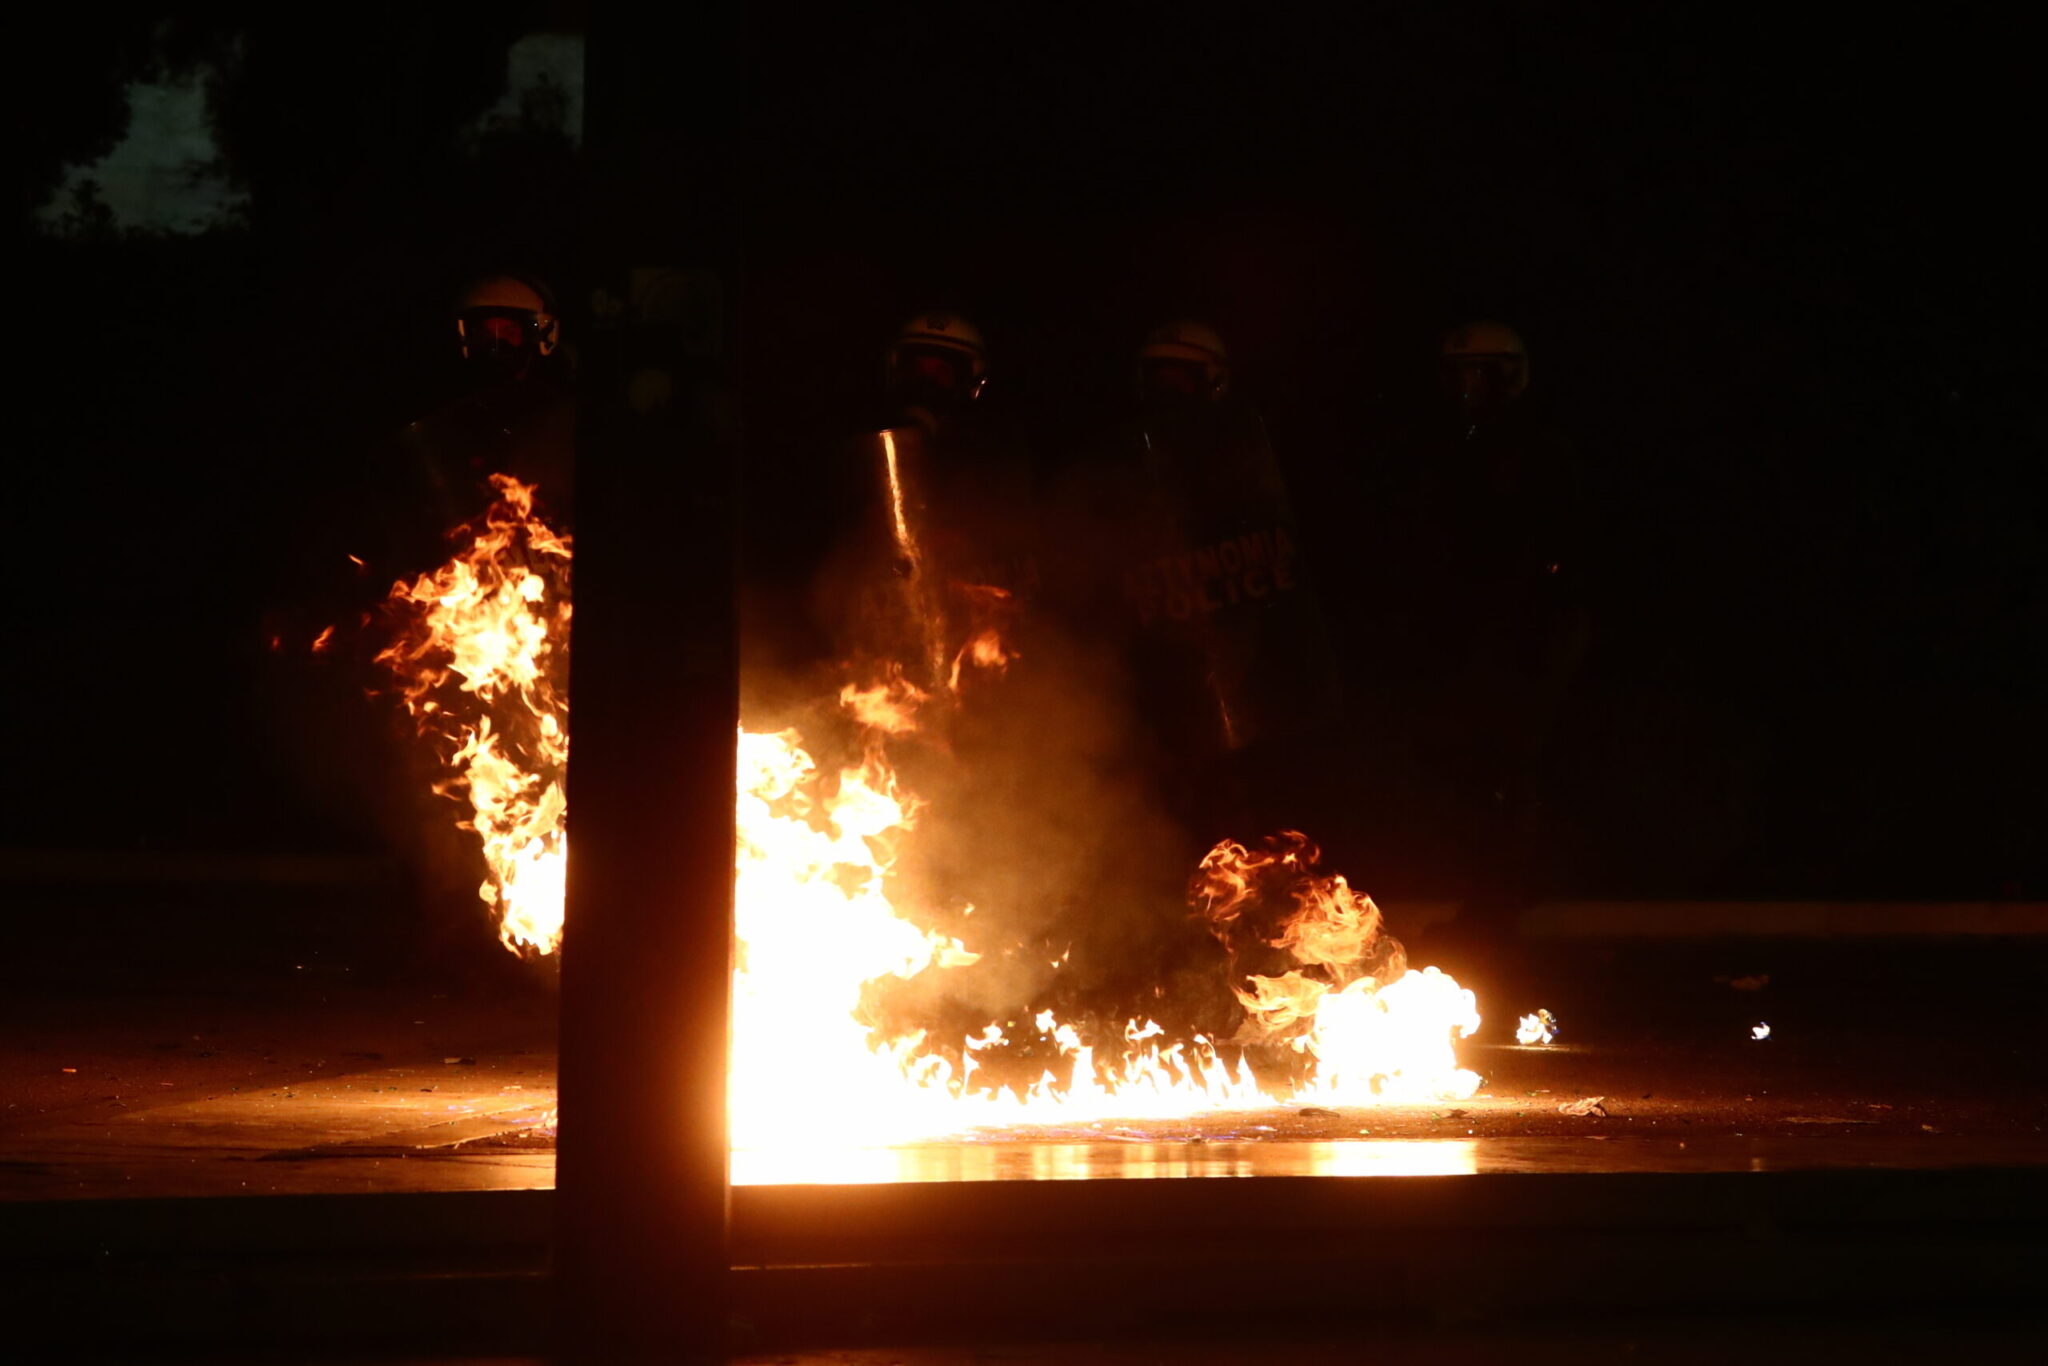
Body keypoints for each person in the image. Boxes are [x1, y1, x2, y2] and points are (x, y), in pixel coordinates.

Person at [1379, 320, 1593, 920]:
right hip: (1471, 631)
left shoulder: (1538, 451)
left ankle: (1506, 893)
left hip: (1529, 629)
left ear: (1509, 377)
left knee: (1513, 759)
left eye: (1477, 376)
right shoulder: (1449, 450)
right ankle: (1481, 887)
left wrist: (1536, 616)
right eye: (1457, 377)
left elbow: (1554, 545)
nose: (1465, 390)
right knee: (1467, 764)